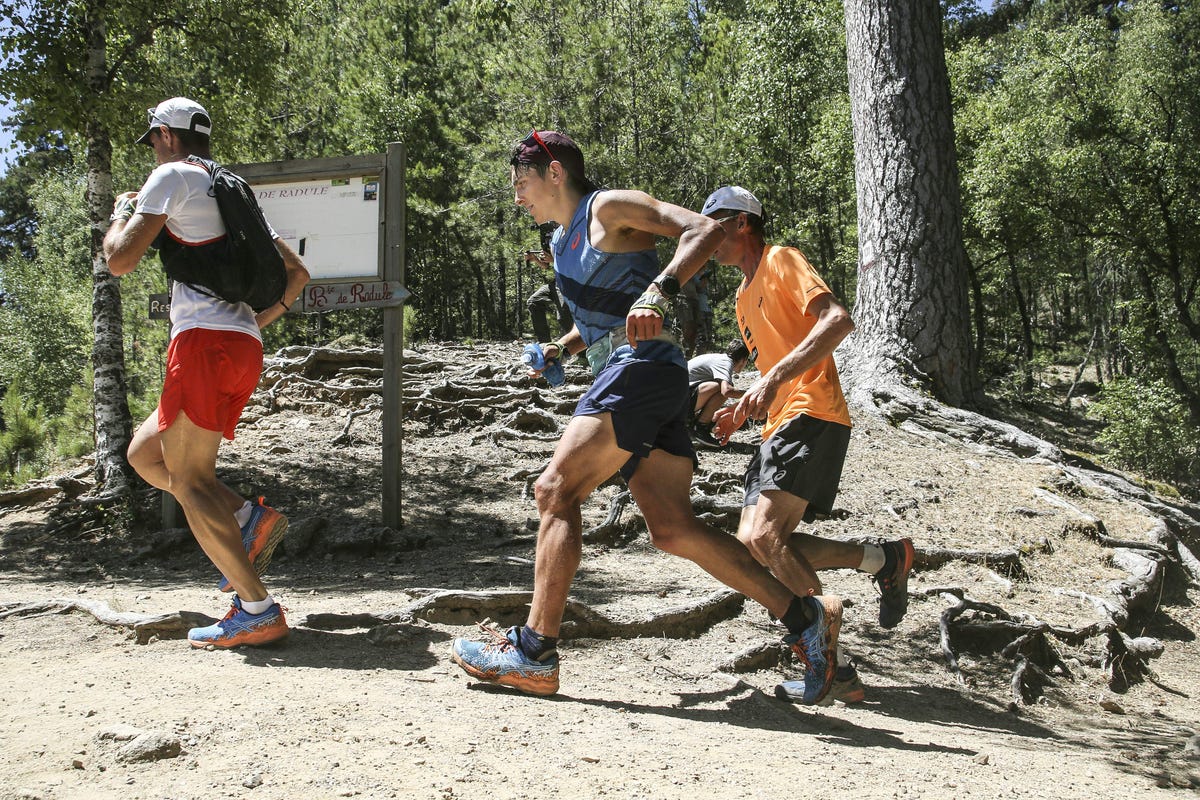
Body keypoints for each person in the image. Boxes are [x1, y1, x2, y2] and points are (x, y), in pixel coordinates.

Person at [451, 131, 843, 704]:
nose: (517, 198)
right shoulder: (562, 242)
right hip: (647, 379)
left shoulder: (606, 208)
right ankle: (802, 617)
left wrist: (662, 288)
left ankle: (535, 652)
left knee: (555, 491)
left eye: (522, 183)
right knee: (673, 527)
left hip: (640, 372)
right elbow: (608, 317)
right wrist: (563, 350)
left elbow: (704, 229)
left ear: (554, 171)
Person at [102, 97, 310, 649]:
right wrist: (255, 324)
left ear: (166, 137)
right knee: (145, 455)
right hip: (240, 343)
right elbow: (297, 273)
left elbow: (119, 259)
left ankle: (257, 608)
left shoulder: (170, 175)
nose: (153, 150)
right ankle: (246, 518)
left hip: (201, 344)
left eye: (153, 140)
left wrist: (123, 212)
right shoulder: (232, 189)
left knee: (190, 483)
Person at [702, 186, 914, 703]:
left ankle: (828, 662)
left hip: (813, 412)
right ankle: (883, 561)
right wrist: (741, 409)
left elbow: (837, 320)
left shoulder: (781, 260)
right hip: (780, 423)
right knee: (758, 540)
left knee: (765, 537)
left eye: (714, 225)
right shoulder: (740, 298)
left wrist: (772, 380)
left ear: (743, 223)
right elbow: (770, 366)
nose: (706, 239)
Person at [687, 339, 749, 447]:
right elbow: (727, 391)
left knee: (720, 386)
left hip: (676, 397)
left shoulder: (719, 358)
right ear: (743, 360)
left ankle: (692, 424)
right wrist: (750, 394)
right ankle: (700, 428)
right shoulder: (725, 362)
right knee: (721, 388)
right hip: (679, 401)